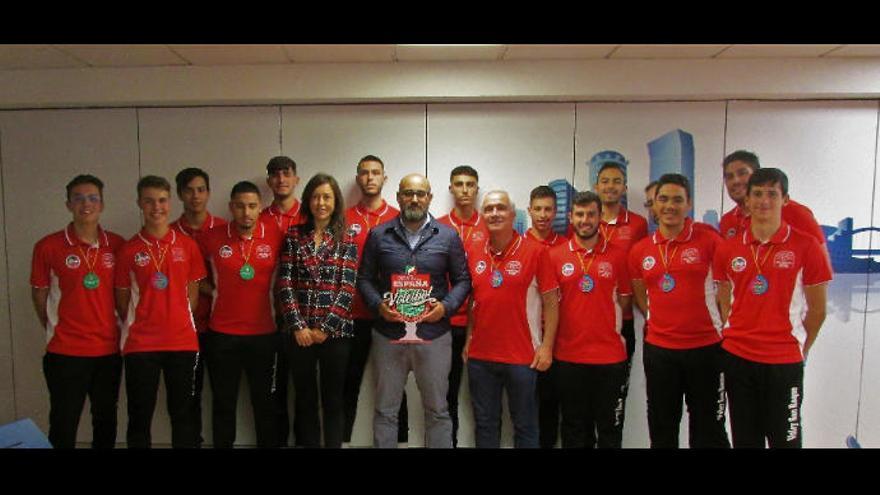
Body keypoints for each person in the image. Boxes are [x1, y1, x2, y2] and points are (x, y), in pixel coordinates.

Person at [714, 168, 831, 448]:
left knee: (785, 440)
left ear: (785, 199)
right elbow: (724, 300)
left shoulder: (807, 246)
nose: (763, 201)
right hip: (738, 357)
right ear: (747, 200)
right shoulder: (728, 248)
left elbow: (818, 310)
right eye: (757, 194)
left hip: (783, 361)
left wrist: (800, 348)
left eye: (772, 194)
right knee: (744, 439)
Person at [358, 173, 471, 448]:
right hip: (389, 335)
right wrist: (378, 306)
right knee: (386, 411)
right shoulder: (378, 234)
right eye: (408, 193)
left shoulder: (447, 236)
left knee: (437, 411)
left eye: (421, 193)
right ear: (398, 197)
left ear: (430, 198)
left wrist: (445, 308)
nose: (415, 198)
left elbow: (463, 280)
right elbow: (363, 279)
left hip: (433, 335)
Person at [628, 174, 730, 448]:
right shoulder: (640, 250)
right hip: (660, 351)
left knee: (709, 428)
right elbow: (640, 293)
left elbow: (726, 290)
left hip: (707, 349)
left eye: (677, 200)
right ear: (653, 205)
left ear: (688, 205)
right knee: (662, 427)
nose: (669, 206)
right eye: (663, 199)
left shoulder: (709, 241)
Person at [30, 175, 125, 449]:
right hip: (66, 351)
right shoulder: (48, 246)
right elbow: (39, 294)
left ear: (102, 204)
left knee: (105, 421)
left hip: (108, 350)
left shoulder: (117, 245)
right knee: (63, 421)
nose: (86, 204)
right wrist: (53, 327)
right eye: (79, 198)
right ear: (68, 204)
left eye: (93, 198)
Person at [114, 175, 206, 448]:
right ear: (139, 204)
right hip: (141, 345)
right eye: (149, 201)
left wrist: (175, 317)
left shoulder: (187, 245)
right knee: (140, 416)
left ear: (171, 202)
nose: (157, 207)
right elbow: (121, 299)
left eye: (162, 200)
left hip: (182, 342)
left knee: (183, 415)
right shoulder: (128, 250)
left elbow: (193, 295)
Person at [462, 190, 559, 448]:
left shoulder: (536, 252)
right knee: (485, 424)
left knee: (525, 425)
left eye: (501, 208)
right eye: (489, 208)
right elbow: (474, 300)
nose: (494, 213)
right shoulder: (473, 250)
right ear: (482, 215)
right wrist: (469, 338)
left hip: (523, 357)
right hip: (481, 357)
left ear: (513, 214)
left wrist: (547, 346)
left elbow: (551, 303)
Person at [277, 173, 358, 448]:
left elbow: (347, 289)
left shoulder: (347, 238)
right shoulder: (293, 235)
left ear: (335, 202)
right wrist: (299, 326)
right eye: (315, 196)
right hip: (299, 334)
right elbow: (285, 282)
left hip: (335, 335)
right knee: (305, 398)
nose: (321, 202)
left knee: (334, 399)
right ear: (307, 200)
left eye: (327, 197)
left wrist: (325, 329)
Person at [199, 181, 282, 448]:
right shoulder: (211, 237)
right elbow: (192, 275)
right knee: (223, 403)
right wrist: (214, 292)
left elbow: (287, 277)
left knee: (265, 404)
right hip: (222, 335)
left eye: (252, 206)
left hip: (264, 334)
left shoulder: (276, 235)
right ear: (231, 207)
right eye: (240, 206)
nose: (246, 212)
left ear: (260, 208)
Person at [549, 191, 631, 448]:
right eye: (580, 214)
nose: (586, 220)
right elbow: (550, 306)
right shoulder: (555, 256)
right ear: (571, 217)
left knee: (609, 430)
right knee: (574, 430)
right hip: (569, 358)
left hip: (610, 358)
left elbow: (626, 300)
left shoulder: (619, 256)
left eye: (591, 214)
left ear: (600, 218)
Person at [342, 155, 405, 445]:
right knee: (347, 384)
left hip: (389, 316)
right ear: (358, 179)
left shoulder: (398, 218)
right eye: (365, 173)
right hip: (350, 316)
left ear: (384, 178)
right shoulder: (342, 218)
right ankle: (342, 439)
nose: (370, 178)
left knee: (394, 384)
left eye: (375, 173)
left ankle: (400, 440)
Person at [591, 151, 647, 433]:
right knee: (584, 403)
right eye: (605, 181)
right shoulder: (586, 221)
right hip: (586, 325)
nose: (610, 186)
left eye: (616, 181)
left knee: (615, 400)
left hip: (622, 323)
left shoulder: (637, 224)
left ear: (624, 187)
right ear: (596, 186)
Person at [171, 167, 227, 446]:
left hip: (218, 327)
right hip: (182, 331)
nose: (196, 196)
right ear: (180, 194)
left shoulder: (223, 229)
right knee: (187, 398)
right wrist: (213, 290)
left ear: (208, 193)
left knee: (221, 395)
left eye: (201, 189)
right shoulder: (168, 233)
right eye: (189, 190)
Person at [436, 164, 488, 446]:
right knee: (447, 394)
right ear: (451, 188)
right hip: (446, 324)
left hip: (482, 325)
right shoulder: (438, 225)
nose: (465, 189)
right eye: (459, 184)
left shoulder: (489, 224)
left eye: (470, 184)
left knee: (483, 398)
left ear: (477, 189)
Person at [259, 155, 305, 446]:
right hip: (266, 319)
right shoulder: (257, 217)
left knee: (303, 390)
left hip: (302, 320)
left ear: (296, 179)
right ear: (268, 181)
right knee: (272, 391)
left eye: (286, 173)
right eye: (275, 175)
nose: (281, 179)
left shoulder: (309, 216)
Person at [524, 185, 567, 449]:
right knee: (526, 406)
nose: (542, 214)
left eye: (548, 209)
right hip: (526, 339)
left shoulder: (566, 246)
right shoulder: (518, 245)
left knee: (552, 405)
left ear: (556, 212)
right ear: (529, 210)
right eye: (537, 209)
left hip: (558, 338)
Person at [719, 150, 826, 248]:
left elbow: (820, 263)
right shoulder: (727, 221)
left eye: (742, 173)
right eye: (729, 177)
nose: (736, 181)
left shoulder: (796, 212)